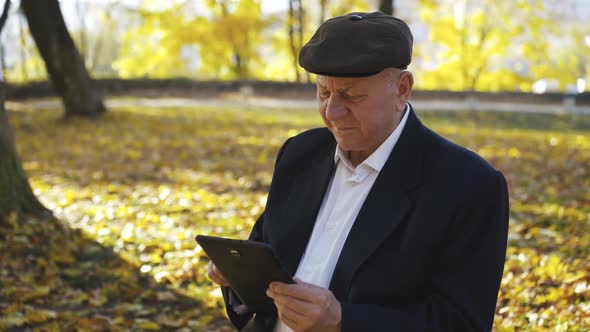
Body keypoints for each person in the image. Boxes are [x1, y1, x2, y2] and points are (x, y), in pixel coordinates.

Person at [207, 11, 509, 332]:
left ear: (402, 89)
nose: (332, 112)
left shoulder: (469, 186)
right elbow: (266, 262)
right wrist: (237, 275)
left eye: (351, 96)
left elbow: (462, 324)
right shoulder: (299, 153)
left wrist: (343, 321)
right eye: (324, 92)